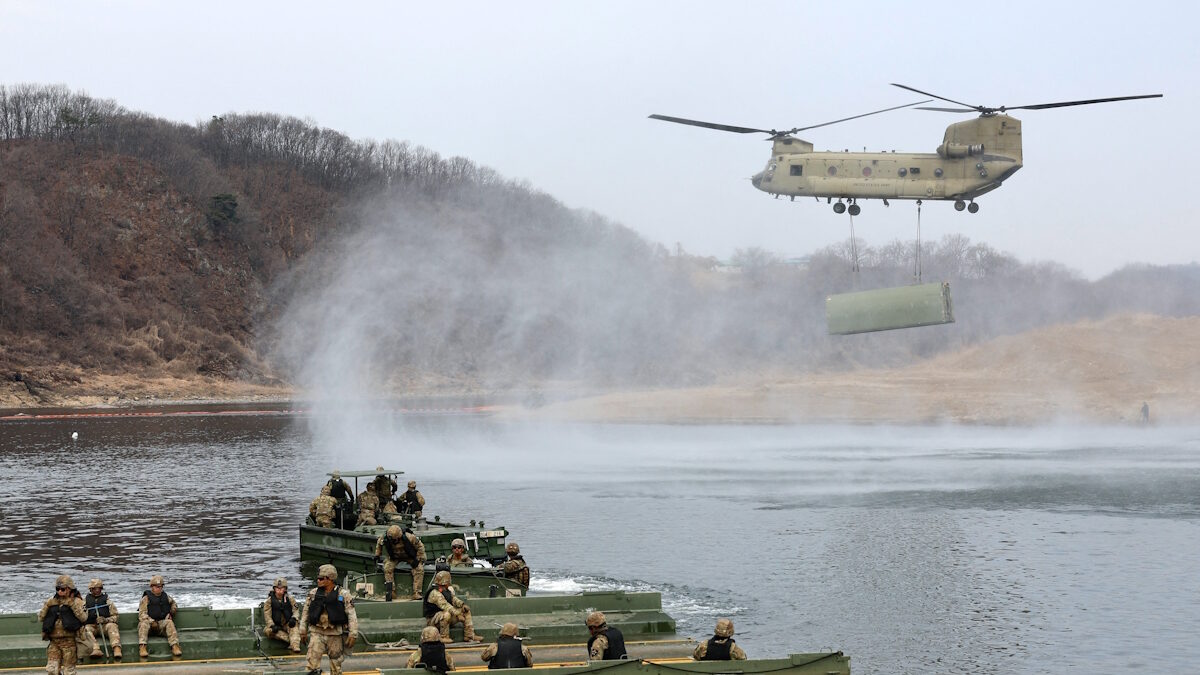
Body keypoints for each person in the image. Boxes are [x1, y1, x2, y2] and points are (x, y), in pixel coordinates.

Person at [300, 564, 358, 675]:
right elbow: (305, 613)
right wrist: (302, 631)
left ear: (330, 579)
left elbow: (351, 615)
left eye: (321, 579)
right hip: (317, 632)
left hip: (335, 633)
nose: (318, 580)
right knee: (312, 663)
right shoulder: (313, 594)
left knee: (335, 664)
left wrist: (353, 634)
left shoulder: (343, 595)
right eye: (318, 578)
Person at [38, 574, 88, 675]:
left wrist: (72, 605)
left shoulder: (77, 602)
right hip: (54, 641)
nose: (60, 591)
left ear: (69, 589)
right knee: (52, 670)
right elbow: (40, 618)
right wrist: (47, 606)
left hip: (69, 642)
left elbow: (84, 618)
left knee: (68, 672)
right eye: (58, 589)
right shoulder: (52, 601)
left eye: (63, 589)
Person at [424, 570, 482, 643]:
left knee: (466, 611)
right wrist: (458, 614)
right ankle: (444, 637)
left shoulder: (445, 589)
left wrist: (462, 604)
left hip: (445, 617)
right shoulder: (434, 592)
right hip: (433, 620)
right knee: (446, 614)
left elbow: (453, 599)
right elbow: (446, 606)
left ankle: (469, 635)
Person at [375, 524, 426, 600]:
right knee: (387, 568)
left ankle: (417, 592)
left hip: (409, 556)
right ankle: (391, 591)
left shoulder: (410, 537)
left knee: (419, 569)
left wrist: (419, 559)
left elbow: (420, 546)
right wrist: (377, 555)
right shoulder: (385, 538)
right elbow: (379, 545)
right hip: (394, 557)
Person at [138, 574, 182, 658]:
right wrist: (151, 621)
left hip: (161, 624)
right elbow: (142, 614)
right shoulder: (146, 599)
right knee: (143, 624)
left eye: (160, 586)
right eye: (157, 587)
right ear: (152, 587)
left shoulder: (166, 597)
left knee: (169, 622)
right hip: (150, 625)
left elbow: (174, 603)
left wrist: (172, 611)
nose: (159, 588)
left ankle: (175, 646)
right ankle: (142, 647)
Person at [81, 578, 122, 661]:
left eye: (99, 588)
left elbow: (115, 617)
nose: (97, 590)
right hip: (92, 626)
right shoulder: (84, 603)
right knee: (85, 629)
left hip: (104, 626)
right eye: (95, 589)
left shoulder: (108, 602)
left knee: (112, 626)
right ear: (91, 589)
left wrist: (105, 620)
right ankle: (96, 648)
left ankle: (116, 648)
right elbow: (80, 616)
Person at [262, 577, 302, 653]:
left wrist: (294, 618)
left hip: (287, 623)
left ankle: (295, 646)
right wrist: (272, 625)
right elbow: (267, 615)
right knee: (268, 631)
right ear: (274, 589)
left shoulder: (290, 599)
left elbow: (296, 610)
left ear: (285, 589)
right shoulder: (269, 601)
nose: (279, 590)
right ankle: (291, 641)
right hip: (276, 624)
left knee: (294, 626)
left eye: (282, 588)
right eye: (277, 588)